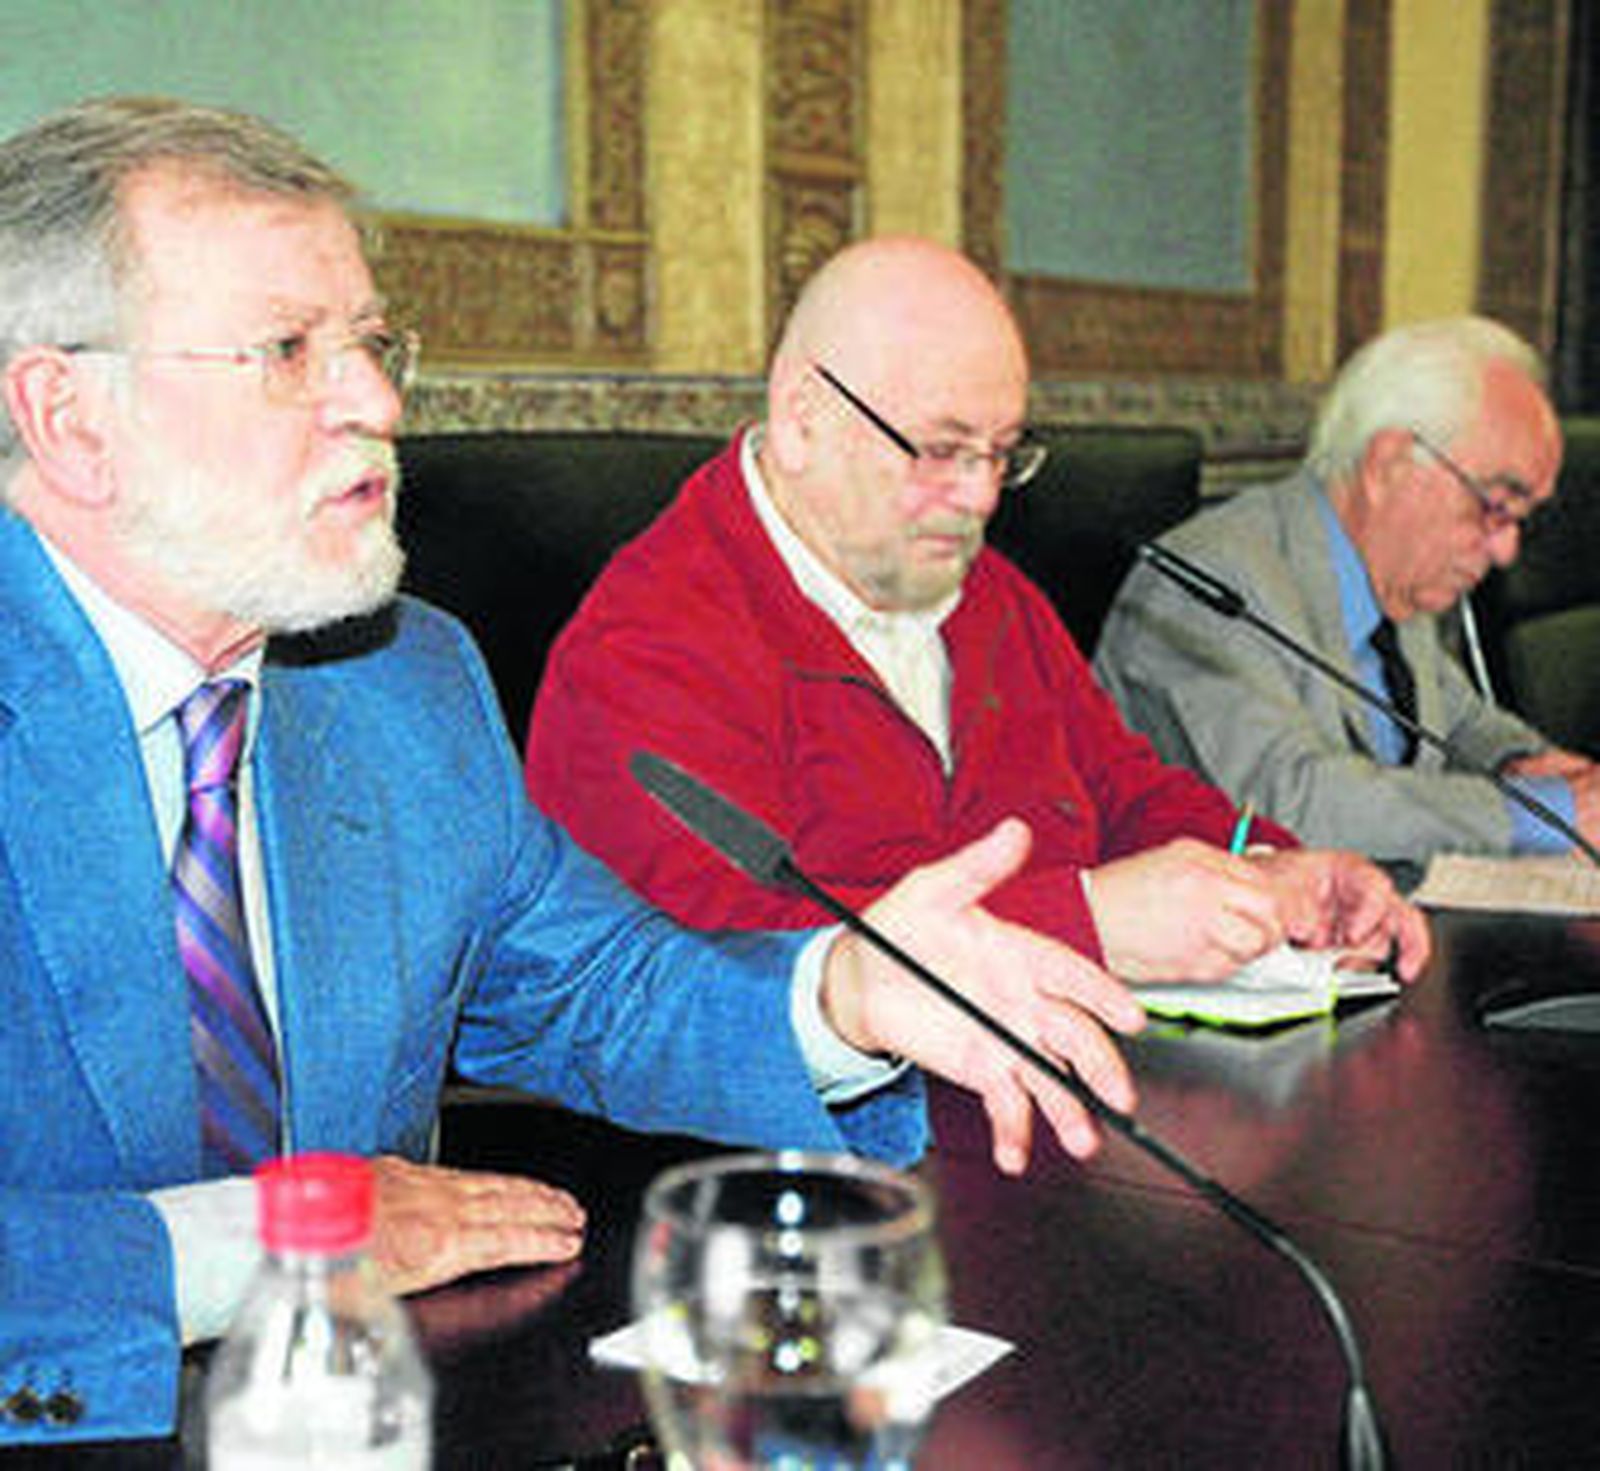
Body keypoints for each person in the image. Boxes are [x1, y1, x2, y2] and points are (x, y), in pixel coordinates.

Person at [0, 100, 1147, 1445]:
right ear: (68, 414)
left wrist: (847, 988)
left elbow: (592, 984)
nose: (374, 402)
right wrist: (281, 1233)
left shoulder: (402, 681)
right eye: (287, 352)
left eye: (371, 345)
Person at [526, 236, 1427, 988]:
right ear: (802, 416)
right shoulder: (649, 644)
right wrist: (1087, 923)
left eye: (1002, 453)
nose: (980, 496)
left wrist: (1271, 867)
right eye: (942, 450)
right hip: (808, 1164)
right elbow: (713, 977)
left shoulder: (988, 593)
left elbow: (1120, 791)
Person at [1095, 316, 1600, 865]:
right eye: (1494, 506)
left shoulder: (1392, 580)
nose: (1507, 552)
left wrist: (1525, 764)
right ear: (1389, 464)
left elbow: (1460, 722)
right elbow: (1290, 804)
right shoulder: (1210, 585)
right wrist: (1545, 812)